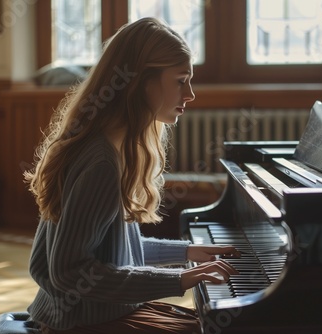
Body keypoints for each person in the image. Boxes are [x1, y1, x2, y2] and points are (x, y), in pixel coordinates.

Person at [24, 17, 239, 333]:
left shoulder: (108, 146)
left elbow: (117, 253)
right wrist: (180, 278)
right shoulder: (101, 164)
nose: (190, 93)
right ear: (142, 83)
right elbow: (69, 272)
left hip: (81, 313)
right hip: (74, 322)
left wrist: (187, 253)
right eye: (181, 80)